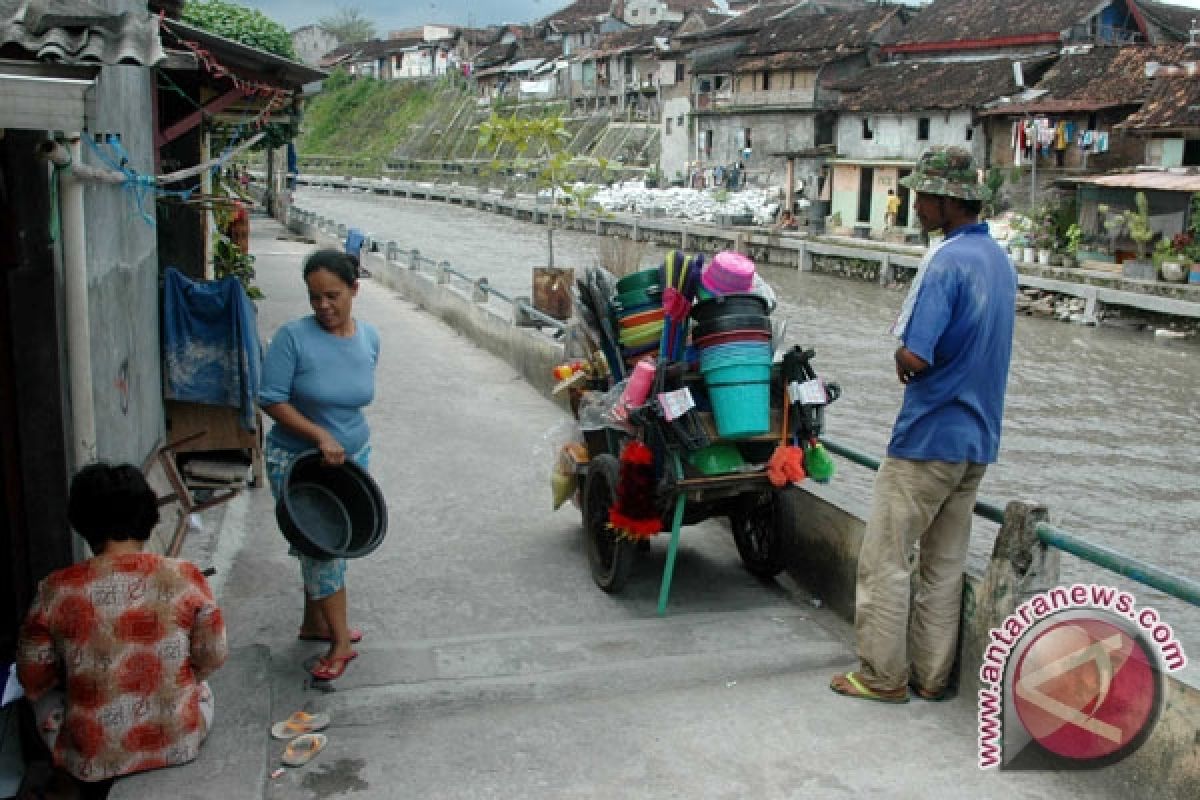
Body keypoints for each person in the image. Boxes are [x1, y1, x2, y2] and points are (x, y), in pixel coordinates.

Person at [830, 146, 1016, 704]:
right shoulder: (1000, 261)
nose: (914, 206)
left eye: (921, 197)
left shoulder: (946, 260)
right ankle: (932, 679)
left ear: (945, 201)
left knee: (886, 558)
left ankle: (883, 675)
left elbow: (916, 354)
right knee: (944, 563)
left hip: (928, 438)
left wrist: (901, 362)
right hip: (977, 441)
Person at [17, 463, 228, 796]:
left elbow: (32, 678)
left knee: (38, 702)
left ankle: (63, 780)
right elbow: (213, 657)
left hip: (93, 756)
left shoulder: (54, 591)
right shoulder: (185, 576)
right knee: (200, 688)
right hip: (178, 741)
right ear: (147, 516)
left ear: (82, 523)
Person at [259, 248, 380, 682]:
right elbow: (271, 398)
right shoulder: (293, 339)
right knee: (322, 548)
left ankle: (315, 622)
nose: (323, 307)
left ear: (354, 290)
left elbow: (355, 398)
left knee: (330, 543)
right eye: (314, 298)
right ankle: (340, 642)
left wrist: (343, 441)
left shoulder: (369, 338)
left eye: (332, 296)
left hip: (352, 458)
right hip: (299, 461)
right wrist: (320, 436)